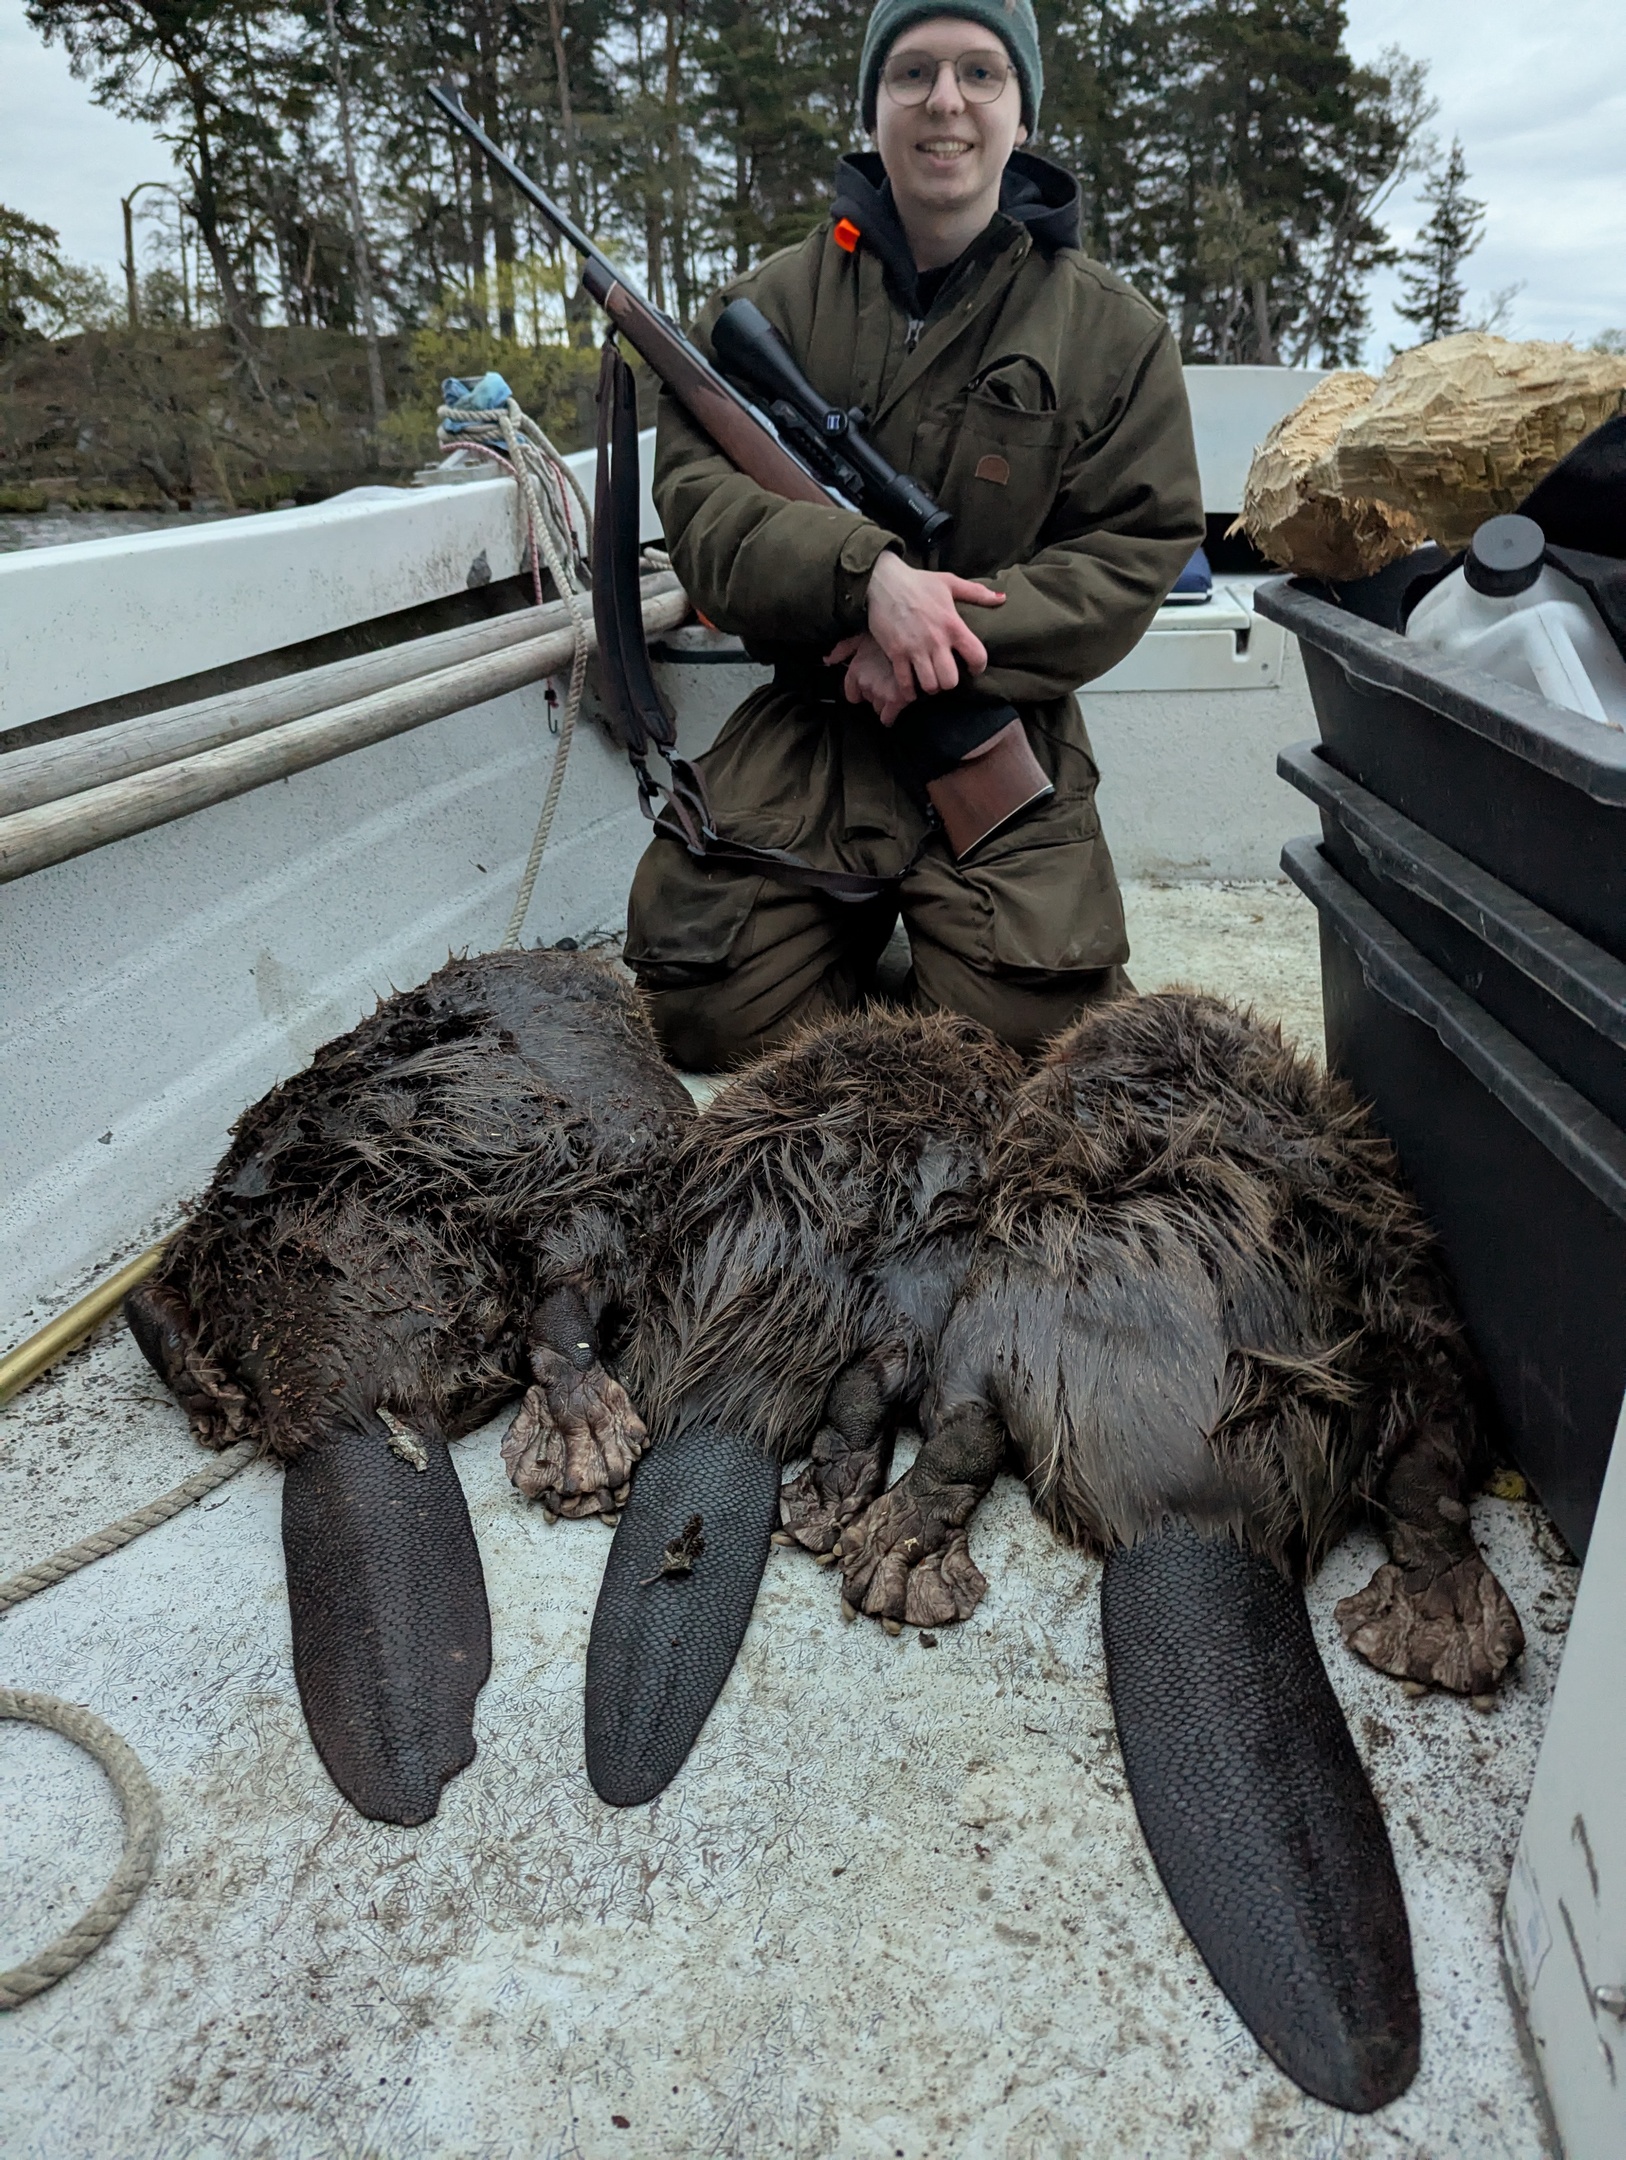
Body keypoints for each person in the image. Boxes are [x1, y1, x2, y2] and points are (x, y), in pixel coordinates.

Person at [625, 0, 1204, 1067]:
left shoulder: (1113, 331)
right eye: (913, 72)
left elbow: (1133, 545)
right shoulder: (766, 311)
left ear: (1022, 114)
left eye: (981, 73)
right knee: (695, 1011)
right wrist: (865, 579)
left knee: (1029, 1041)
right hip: (816, 718)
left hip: (997, 716)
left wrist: (934, 635)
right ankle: (855, 931)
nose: (946, 102)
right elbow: (701, 509)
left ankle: (912, 936)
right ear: (874, 105)